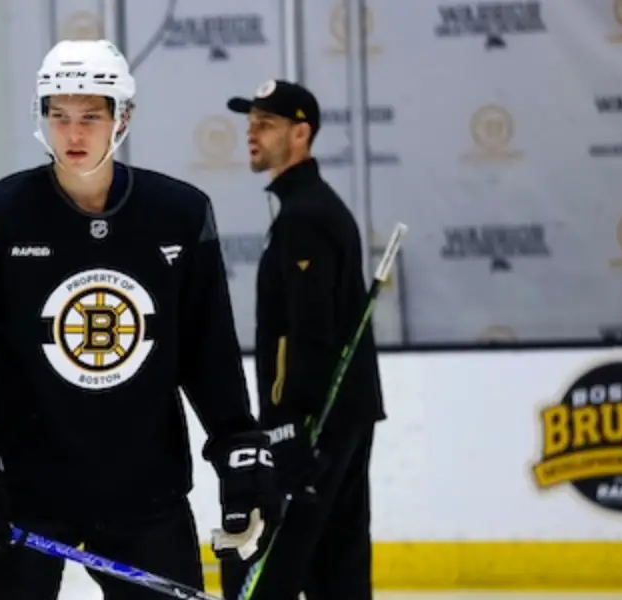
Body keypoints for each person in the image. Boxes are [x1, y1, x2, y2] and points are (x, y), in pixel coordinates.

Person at [0, 39, 275, 599]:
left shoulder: (179, 214)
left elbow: (209, 354)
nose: (73, 135)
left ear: (122, 117)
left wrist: (240, 451)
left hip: (144, 496)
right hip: (20, 499)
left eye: (90, 118)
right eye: (59, 117)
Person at [213, 79, 386, 600]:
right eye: (250, 125)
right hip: (342, 416)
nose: (252, 135)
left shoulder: (305, 217)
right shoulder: (307, 209)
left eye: (265, 125)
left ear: (301, 133)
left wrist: (287, 426)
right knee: (338, 563)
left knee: (274, 569)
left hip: (315, 424)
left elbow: (307, 332)